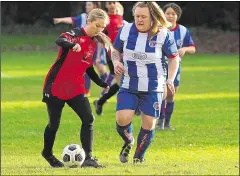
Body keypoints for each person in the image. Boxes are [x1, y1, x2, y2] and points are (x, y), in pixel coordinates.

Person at [41, 8, 112, 168]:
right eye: (97, 25)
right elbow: (60, 40)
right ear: (89, 21)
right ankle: (47, 153)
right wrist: (71, 45)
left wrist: (101, 83)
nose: (99, 30)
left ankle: (88, 158)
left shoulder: (94, 43)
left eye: (102, 27)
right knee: (54, 124)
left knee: (88, 119)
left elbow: (87, 67)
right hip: (56, 85)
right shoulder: (75, 33)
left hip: (75, 87)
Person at [110, 2, 180, 163]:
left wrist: (170, 79)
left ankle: (138, 158)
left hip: (154, 86)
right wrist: (116, 62)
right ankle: (129, 140)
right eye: (137, 16)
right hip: (129, 83)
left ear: (153, 17)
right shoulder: (126, 29)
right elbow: (115, 50)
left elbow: (174, 58)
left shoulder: (163, 34)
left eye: (143, 17)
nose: (139, 20)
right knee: (122, 119)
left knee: (149, 124)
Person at [53, 2, 108, 96]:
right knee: (86, 67)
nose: (87, 7)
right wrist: (61, 20)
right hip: (82, 48)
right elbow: (71, 21)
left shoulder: (102, 20)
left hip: (94, 48)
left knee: (98, 67)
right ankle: (86, 91)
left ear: (95, 6)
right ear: (89, 21)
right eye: (86, 5)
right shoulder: (81, 22)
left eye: (89, 5)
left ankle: (106, 86)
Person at [156, 3, 196, 130]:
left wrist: (184, 49)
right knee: (162, 92)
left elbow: (193, 48)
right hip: (159, 66)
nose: (170, 16)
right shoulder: (158, 29)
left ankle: (167, 122)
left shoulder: (183, 30)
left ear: (177, 16)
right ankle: (160, 121)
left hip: (175, 67)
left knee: (171, 95)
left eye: (173, 14)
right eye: (168, 13)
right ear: (163, 15)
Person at [93, 1, 126, 115]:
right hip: (112, 55)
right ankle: (129, 107)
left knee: (125, 81)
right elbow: (101, 41)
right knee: (123, 82)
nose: (112, 6)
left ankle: (101, 101)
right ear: (107, 6)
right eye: (110, 4)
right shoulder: (105, 21)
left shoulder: (121, 19)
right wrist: (98, 56)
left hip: (124, 54)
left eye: (114, 3)